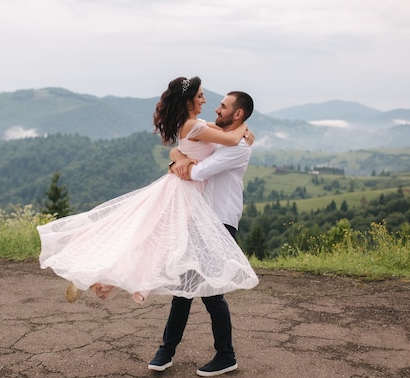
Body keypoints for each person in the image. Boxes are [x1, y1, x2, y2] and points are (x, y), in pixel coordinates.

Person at [37, 76, 258, 307]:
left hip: (185, 191)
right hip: (185, 192)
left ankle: (103, 281)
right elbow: (231, 139)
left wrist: (178, 157)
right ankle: (101, 278)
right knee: (155, 243)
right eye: (200, 96)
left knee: (153, 241)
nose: (206, 100)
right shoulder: (195, 125)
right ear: (188, 102)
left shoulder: (196, 124)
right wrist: (244, 127)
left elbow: (187, 146)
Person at [147, 87, 256, 377]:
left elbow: (196, 172)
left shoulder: (238, 148)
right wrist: (176, 158)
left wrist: (182, 163)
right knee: (184, 289)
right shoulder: (222, 138)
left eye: (222, 106)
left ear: (238, 114)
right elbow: (184, 146)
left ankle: (225, 355)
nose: (216, 109)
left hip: (220, 223)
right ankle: (166, 351)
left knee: (211, 293)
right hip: (200, 220)